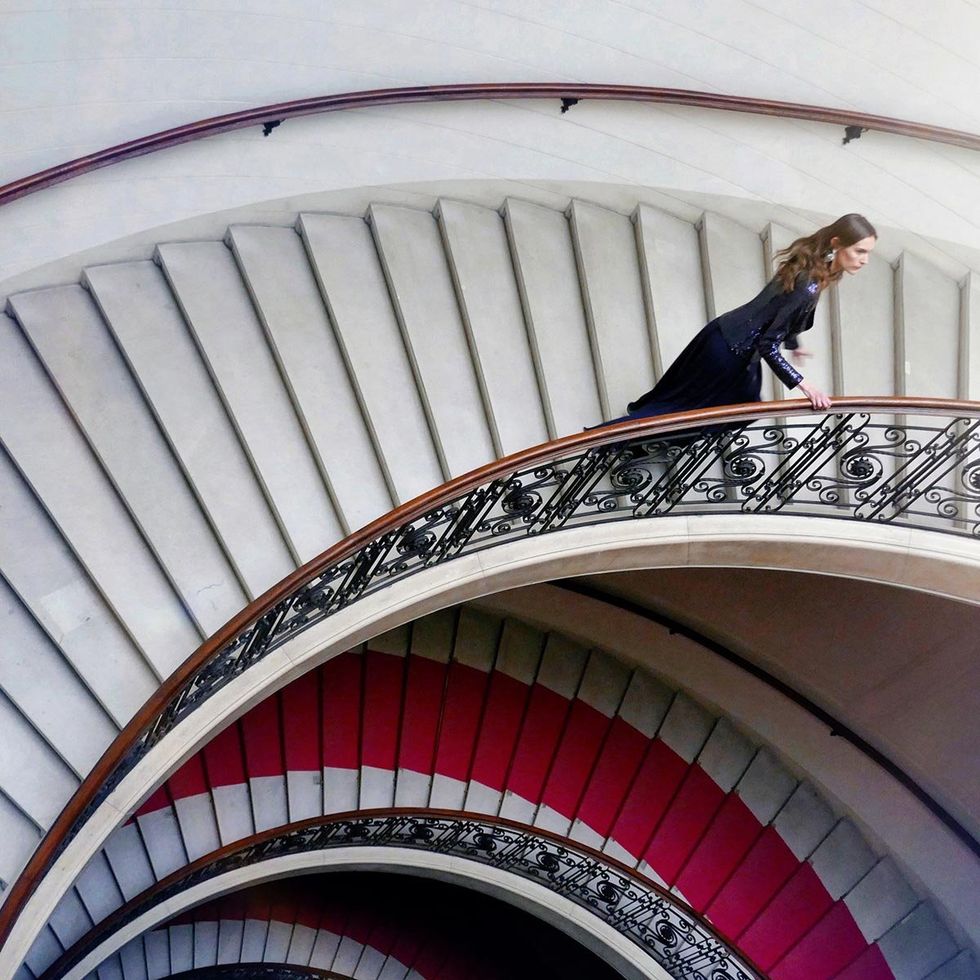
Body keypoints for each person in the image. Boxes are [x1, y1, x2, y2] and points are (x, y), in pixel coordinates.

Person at [600, 214, 877, 426]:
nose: (864, 261)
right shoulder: (809, 283)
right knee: (694, 409)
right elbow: (768, 344)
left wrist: (793, 343)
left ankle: (642, 434)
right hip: (730, 352)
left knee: (700, 401)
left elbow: (778, 308)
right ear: (837, 244)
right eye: (859, 251)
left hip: (724, 336)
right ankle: (613, 439)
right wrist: (805, 386)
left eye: (867, 253)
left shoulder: (817, 268)